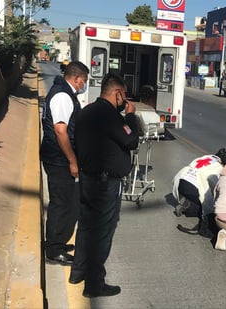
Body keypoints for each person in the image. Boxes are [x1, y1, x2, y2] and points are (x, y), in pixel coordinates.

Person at [69, 73, 140, 298]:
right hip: (106, 184)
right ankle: (94, 283)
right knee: (103, 232)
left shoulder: (86, 111)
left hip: (88, 178)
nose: (125, 101)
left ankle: (78, 272)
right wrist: (130, 117)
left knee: (87, 226)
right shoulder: (111, 116)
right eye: (124, 96)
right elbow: (131, 140)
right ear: (118, 94)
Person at [40, 61, 89, 266]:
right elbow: (61, 130)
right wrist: (72, 160)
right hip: (59, 158)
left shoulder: (63, 92)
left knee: (65, 201)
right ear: (76, 78)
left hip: (57, 156)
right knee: (61, 203)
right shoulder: (62, 96)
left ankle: (56, 241)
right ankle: (54, 249)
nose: (84, 85)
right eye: (84, 81)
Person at [172, 148, 226, 237]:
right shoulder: (219, 167)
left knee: (196, 198)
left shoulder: (206, 157)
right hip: (194, 186)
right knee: (205, 208)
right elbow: (216, 187)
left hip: (181, 180)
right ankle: (188, 206)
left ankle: (186, 201)